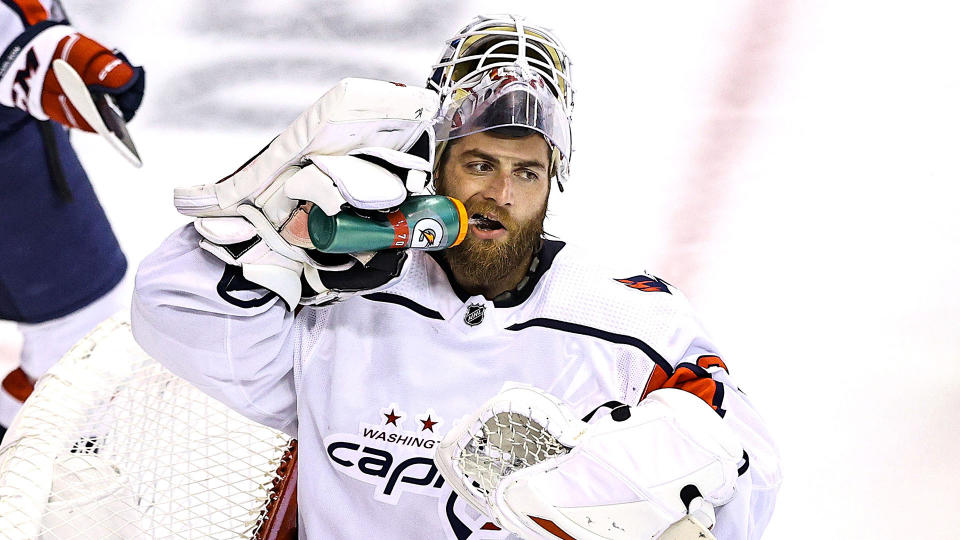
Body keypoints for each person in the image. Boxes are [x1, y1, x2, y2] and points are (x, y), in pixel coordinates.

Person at [132, 14, 780, 539]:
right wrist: (265, 229)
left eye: (525, 172)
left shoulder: (626, 317)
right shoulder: (343, 296)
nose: (499, 194)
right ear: (436, 164)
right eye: (478, 164)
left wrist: (661, 506)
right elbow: (171, 313)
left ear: (553, 178)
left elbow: (738, 457)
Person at [0, 0, 145, 439]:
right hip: (15, 153)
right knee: (81, 338)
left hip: (19, 142)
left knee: (80, 336)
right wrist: (29, 56)